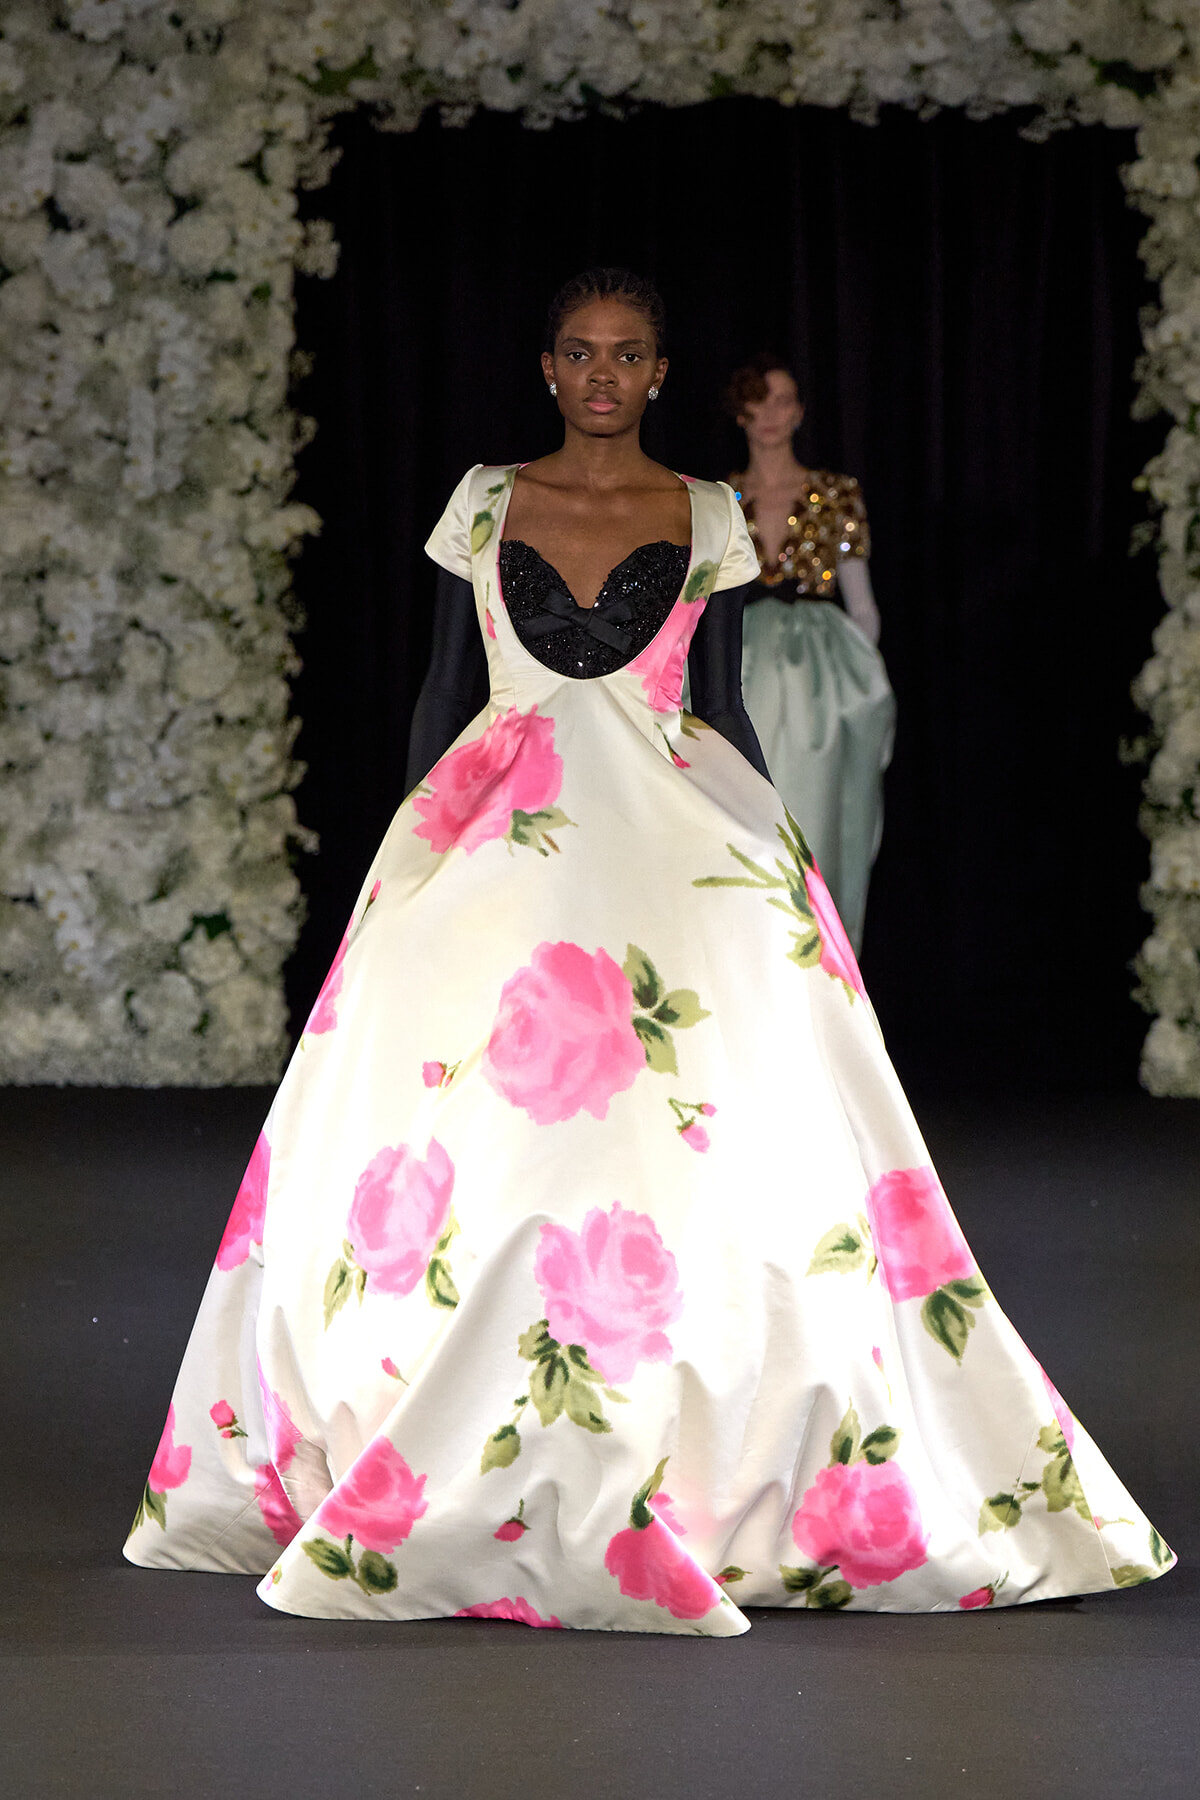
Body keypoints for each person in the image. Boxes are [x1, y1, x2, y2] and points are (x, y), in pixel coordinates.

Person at [125, 269, 1172, 1634]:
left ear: (661, 373)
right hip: (495, 834)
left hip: (677, 840)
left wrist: (774, 871)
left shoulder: (711, 512)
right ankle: (431, 1432)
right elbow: (449, 692)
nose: (604, 374)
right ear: (547, 365)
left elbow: (719, 701)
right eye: (580, 352)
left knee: (695, 1128)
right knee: (462, 1139)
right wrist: (411, 860)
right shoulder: (485, 502)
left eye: (629, 355)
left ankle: (701, 1453)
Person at [728, 355, 895, 952]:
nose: (770, 415)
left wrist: (857, 673)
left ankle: (817, 965)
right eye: (758, 400)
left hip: (819, 685)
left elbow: (862, 604)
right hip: (740, 677)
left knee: (815, 819)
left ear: (799, 412)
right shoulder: (719, 500)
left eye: (783, 401)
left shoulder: (834, 494)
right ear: (739, 411)